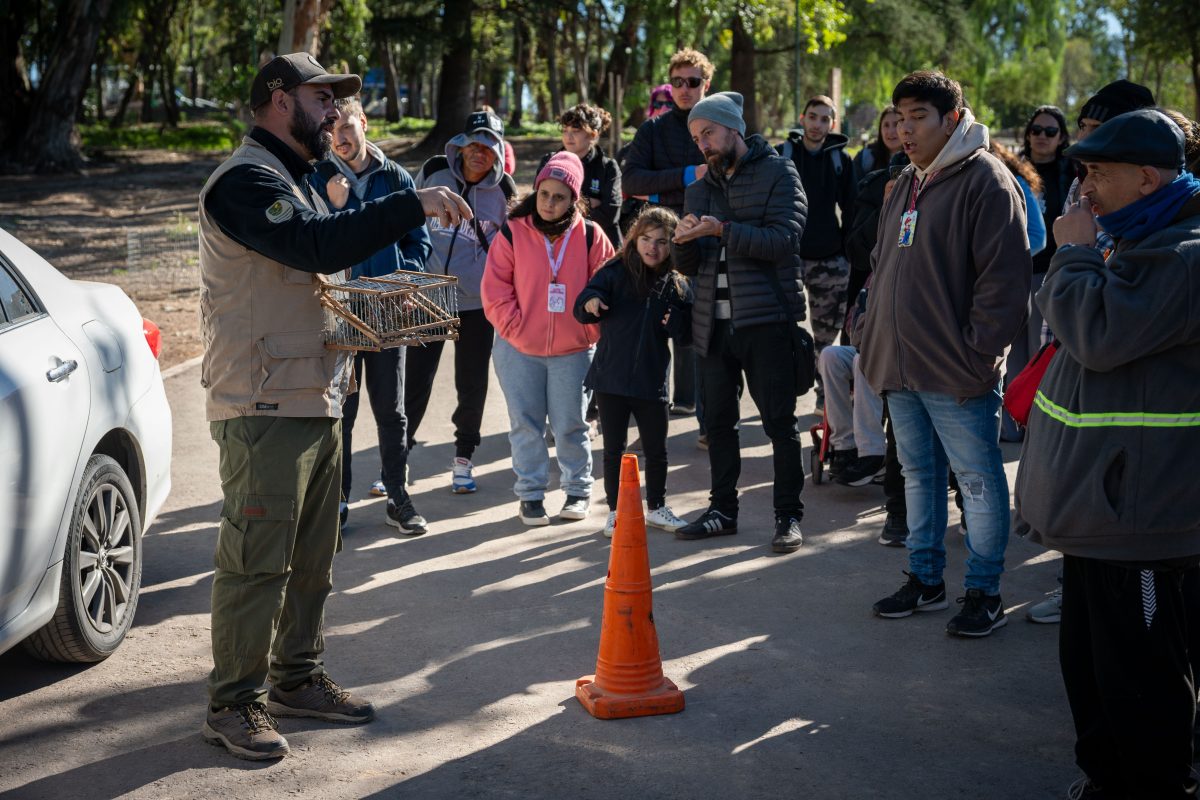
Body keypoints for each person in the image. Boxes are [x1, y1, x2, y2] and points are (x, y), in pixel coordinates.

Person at [197, 53, 470, 760]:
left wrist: (373, 315)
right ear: (280, 101)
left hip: (315, 396)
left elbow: (316, 279)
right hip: (261, 402)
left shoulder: (298, 181)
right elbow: (313, 244)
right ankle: (233, 702)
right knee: (257, 561)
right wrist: (412, 203)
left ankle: (296, 678)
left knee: (314, 558)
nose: (333, 113)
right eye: (322, 99)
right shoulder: (247, 181)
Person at [1014, 109, 1200, 799]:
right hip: (1102, 514)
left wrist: (1073, 253)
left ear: (1148, 178)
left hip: (1141, 522)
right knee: (1092, 669)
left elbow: (1097, 335)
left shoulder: (1182, 253)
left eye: (1098, 172)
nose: (1085, 187)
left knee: (1140, 682)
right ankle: (1106, 779)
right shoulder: (1138, 233)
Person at [860, 71, 1031, 637]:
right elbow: (881, 265)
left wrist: (977, 358)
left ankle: (984, 591)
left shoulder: (988, 180)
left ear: (952, 119)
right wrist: (868, 330)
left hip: (957, 373)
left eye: (918, 118)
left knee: (977, 481)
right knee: (918, 476)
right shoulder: (905, 182)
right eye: (899, 118)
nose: (904, 130)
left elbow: (1004, 287)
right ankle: (925, 579)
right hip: (898, 366)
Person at [1025, 81, 1157, 626]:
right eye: (1080, 131)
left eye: (1097, 133)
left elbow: (1102, 324)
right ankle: (1075, 582)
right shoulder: (1091, 192)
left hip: (1122, 398)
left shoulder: (1163, 236)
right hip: (1075, 358)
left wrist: (1076, 251)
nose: (1083, 150)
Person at [671, 91, 808, 555]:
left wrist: (722, 230)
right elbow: (690, 267)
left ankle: (788, 517)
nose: (703, 144)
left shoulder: (779, 172)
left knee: (779, 425)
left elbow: (785, 239)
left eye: (708, 132)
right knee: (719, 426)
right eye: (696, 137)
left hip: (766, 320)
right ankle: (722, 512)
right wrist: (683, 242)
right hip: (712, 325)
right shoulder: (699, 187)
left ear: (733, 129)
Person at [309, 95, 431, 533]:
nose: (339, 138)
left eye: (346, 126)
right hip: (339, 313)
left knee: (391, 410)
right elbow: (315, 241)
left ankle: (398, 498)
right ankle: (338, 502)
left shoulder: (396, 177)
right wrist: (336, 206)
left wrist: (405, 281)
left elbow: (418, 242)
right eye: (331, 130)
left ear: (363, 122)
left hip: (388, 311)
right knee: (342, 410)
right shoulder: (317, 178)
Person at [481, 152, 615, 525]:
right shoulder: (513, 231)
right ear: (536, 192)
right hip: (518, 350)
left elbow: (610, 286)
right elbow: (495, 289)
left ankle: (578, 491)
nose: (550, 203)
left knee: (571, 424)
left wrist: (588, 330)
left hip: (573, 351)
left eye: (559, 197)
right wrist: (516, 328)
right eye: (544, 194)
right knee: (526, 425)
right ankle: (531, 495)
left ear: (574, 199)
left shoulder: (592, 236)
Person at [407, 110, 516, 495]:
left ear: (498, 152)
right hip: (429, 297)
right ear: (461, 145)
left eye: (489, 146)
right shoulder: (433, 172)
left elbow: (511, 252)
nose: (479, 153)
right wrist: (410, 278)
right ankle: (395, 461)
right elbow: (407, 222)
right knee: (413, 383)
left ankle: (463, 459)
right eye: (474, 144)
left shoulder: (504, 191)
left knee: (472, 385)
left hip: (477, 305)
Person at [574, 206, 692, 536]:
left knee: (656, 450)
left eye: (662, 241)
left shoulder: (677, 282)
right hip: (610, 378)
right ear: (634, 239)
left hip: (651, 381)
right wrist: (591, 302)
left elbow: (687, 335)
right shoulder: (615, 270)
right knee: (614, 450)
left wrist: (677, 321)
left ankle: (657, 507)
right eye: (646, 239)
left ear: (672, 245)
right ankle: (615, 512)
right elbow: (583, 302)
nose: (653, 247)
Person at [623, 48, 713, 420]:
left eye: (693, 81)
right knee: (653, 322)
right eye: (677, 82)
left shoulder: (718, 128)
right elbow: (632, 182)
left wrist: (658, 192)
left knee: (697, 323)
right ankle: (651, 403)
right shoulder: (653, 129)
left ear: (707, 84)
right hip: (658, 243)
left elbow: (725, 183)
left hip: (706, 239)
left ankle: (693, 401)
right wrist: (688, 176)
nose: (685, 89)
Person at [776, 95, 856, 396]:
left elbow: (852, 210)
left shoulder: (841, 161)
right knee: (781, 332)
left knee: (826, 337)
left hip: (829, 260)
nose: (817, 124)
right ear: (802, 118)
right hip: (787, 259)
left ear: (832, 124)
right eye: (812, 116)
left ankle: (825, 395)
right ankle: (784, 393)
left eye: (824, 119)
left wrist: (846, 254)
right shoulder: (781, 155)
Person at [538, 103, 623, 248]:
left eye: (576, 131)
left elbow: (610, 216)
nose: (568, 136)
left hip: (601, 246)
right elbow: (540, 206)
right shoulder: (549, 162)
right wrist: (588, 203)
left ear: (593, 135)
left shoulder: (608, 167)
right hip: (558, 245)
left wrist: (563, 207)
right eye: (565, 130)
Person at [852, 105, 902, 184]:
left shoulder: (917, 159)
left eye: (896, 124)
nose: (890, 131)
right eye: (886, 125)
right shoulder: (865, 157)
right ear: (880, 129)